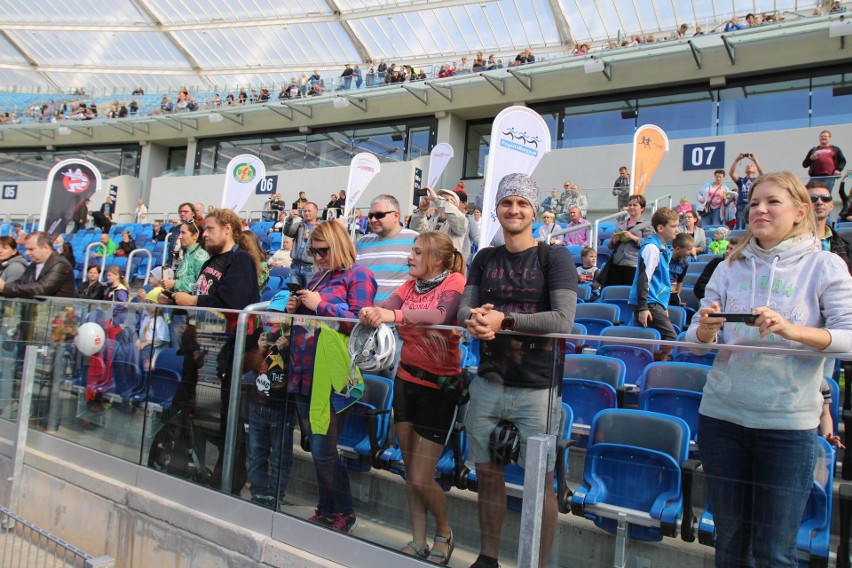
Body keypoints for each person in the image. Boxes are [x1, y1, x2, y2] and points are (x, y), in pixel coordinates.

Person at [687, 171, 852, 567]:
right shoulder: (728, 267)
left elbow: (849, 336)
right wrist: (706, 331)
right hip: (722, 417)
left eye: (772, 202)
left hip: (787, 425)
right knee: (728, 542)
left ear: (799, 211)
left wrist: (793, 330)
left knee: (774, 551)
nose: (759, 209)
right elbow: (694, 343)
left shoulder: (825, 265)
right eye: (754, 203)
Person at [459, 173, 577, 568]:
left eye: (522, 204)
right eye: (507, 203)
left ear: (534, 210)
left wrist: (504, 322)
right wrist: (474, 320)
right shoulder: (484, 258)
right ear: (496, 209)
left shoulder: (554, 257)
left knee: (538, 485)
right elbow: (464, 309)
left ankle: (535, 565)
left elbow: (563, 320)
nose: (514, 209)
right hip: (488, 382)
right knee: (487, 475)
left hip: (538, 388)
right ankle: (488, 558)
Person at [359, 231, 465, 563]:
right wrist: (372, 311)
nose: (410, 257)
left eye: (418, 253)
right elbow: (389, 305)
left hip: (439, 389)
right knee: (409, 470)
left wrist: (395, 316)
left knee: (422, 475)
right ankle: (418, 539)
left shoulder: (455, 281)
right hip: (406, 382)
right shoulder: (409, 284)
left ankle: (444, 532)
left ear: (436, 259)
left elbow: (440, 316)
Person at [284, 220, 377, 533]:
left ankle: (344, 511)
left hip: (335, 375)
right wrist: (298, 307)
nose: (318, 256)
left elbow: (360, 323)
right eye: (313, 250)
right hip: (305, 368)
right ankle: (326, 509)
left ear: (338, 245)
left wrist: (320, 304)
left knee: (324, 449)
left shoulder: (358, 274)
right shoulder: (319, 274)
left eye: (323, 250)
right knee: (317, 447)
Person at [247, 324, 294, 509]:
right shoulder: (267, 335)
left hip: (281, 408)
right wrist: (259, 350)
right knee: (256, 453)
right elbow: (252, 369)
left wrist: (285, 351)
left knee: (280, 457)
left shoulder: (299, 337)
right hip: (257, 405)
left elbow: (295, 373)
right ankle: (258, 494)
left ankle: (275, 496)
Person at [628, 207, 680, 355]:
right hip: (648, 301)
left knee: (647, 340)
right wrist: (643, 307)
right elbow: (644, 279)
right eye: (674, 226)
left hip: (654, 301)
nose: (677, 229)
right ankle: (659, 371)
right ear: (661, 228)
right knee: (670, 337)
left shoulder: (662, 248)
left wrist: (663, 306)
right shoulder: (651, 248)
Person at [355, 194, 418, 303]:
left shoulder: (415, 240)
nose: (373, 220)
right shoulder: (362, 242)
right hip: (361, 315)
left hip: (395, 317)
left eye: (379, 215)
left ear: (396, 216)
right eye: (370, 216)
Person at [0, 232, 75, 299]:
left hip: (57, 312)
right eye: (26, 249)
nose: (27, 253)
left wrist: (5, 288)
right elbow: (21, 282)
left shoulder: (61, 265)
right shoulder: (34, 265)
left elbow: (42, 288)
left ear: (45, 247)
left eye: (31, 249)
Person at [603, 194, 654, 287]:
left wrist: (633, 238)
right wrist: (614, 241)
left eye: (635, 205)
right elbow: (610, 246)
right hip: (617, 263)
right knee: (615, 291)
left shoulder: (647, 224)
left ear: (642, 208)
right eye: (630, 205)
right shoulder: (620, 223)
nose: (631, 207)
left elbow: (650, 244)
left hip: (633, 264)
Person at [410, 188, 470, 264]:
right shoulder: (432, 221)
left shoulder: (460, 220)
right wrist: (421, 211)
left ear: (455, 205)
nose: (441, 201)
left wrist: (437, 199)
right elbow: (416, 230)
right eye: (440, 197)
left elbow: (456, 219)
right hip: (430, 267)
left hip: (448, 269)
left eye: (446, 199)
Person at [805, 180, 851, 273]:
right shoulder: (790, 242)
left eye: (825, 198)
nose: (819, 202)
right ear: (803, 206)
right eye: (813, 199)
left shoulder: (843, 245)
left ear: (831, 206)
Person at [161, 218, 209, 296]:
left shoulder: (201, 256)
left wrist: (175, 284)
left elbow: (203, 287)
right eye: (180, 233)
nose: (179, 236)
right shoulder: (188, 254)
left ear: (195, 235)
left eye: (183, 233)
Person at [283, 201, 321, 288]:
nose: (306, 213)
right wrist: (290, 219)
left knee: (309, 294)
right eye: (305, 211)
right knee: (295, 294)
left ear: (316, 212)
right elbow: (287, 232)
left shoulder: (321, 227)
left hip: (311, 267)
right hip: (295, 265)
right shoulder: (299, 225)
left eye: (309, 211)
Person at [694, 236, 743, 300]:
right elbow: (699, 287)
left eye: (731, 249)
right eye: (727, 248)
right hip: (711, 303)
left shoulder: (744, 269)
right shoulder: (715, 263)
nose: (727, 251)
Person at [729, 152, 764, 230]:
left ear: (755, 170)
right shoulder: (741, 180)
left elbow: (762, 173)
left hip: (752, 204)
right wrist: (737, 160)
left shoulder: (756, 180)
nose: (749, 166)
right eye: (747, 166)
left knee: (752, 224)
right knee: (740, 226)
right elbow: (731, 173)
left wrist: (755, 160)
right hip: (741, 205)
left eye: (751, 166)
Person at [166, 202, 197, 270]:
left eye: (186, 211)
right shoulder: (176, 228)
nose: (182, 214)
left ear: (193, 213)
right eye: (181, 212)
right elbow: (171, 250)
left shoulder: (197, 229)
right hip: (173, 267)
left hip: (188, 269)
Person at [668, 233, 694, 307]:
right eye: (689, 249)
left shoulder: (684, 264)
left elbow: (680, 281)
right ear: (678, 249)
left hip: (672, 292)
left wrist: (677, 298)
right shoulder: (665, 258)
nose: (691, 252)